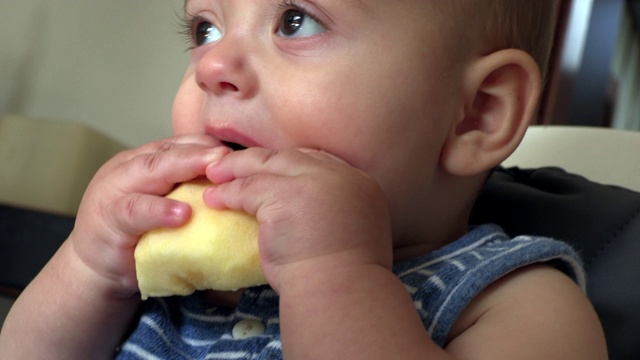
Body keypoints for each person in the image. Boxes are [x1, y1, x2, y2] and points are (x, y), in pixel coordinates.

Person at [0, 0, 608, 358]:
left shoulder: (518, 302)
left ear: (477, 111)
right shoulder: (164, 269)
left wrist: (334, 272)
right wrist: (88, 267)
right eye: (205, 28)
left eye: (296, 21)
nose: (212, 66)